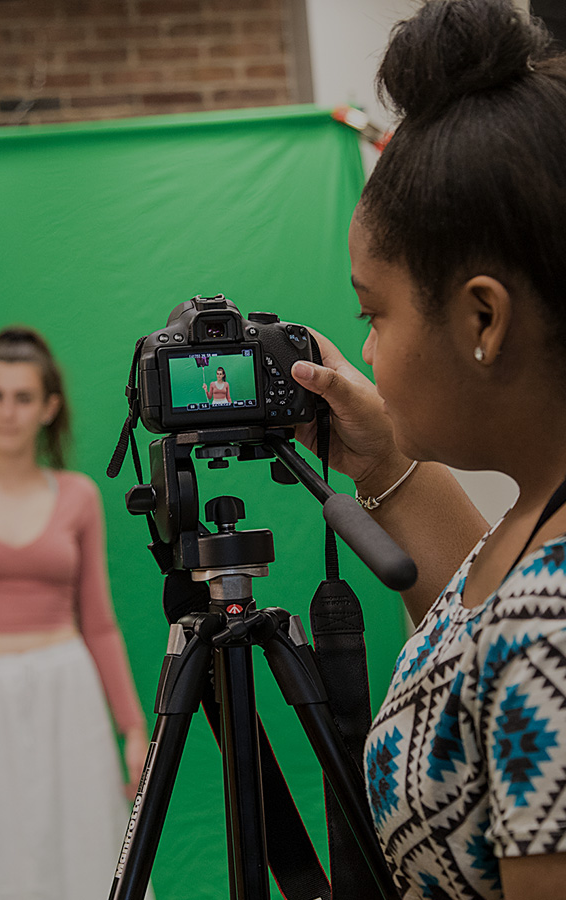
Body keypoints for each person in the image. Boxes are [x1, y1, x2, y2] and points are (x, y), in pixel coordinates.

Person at [291, 1, 566, 898]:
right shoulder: (535, 518)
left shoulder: (548, 631)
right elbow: (470, 631)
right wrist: (379, 462)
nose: (364, 349)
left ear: (482, 317)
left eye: (375, 313)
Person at [0, 327, 149, 900]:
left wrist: (134, 727)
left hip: (66, 695)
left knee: (83, 854)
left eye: (22, 398)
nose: (6, 412)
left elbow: (99, 622)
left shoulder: (78, 497)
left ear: (48, 408)